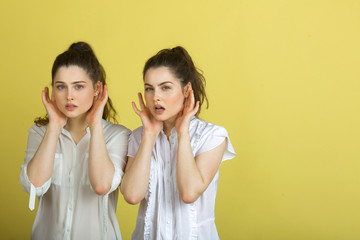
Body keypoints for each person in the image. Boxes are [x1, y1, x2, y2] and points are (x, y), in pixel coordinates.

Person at [120, 46, 236, 239]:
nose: (155, 96)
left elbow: (189, 193)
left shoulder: (212, 136)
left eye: (165, 87)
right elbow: (132, 196)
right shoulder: (138, 137)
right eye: (149, 88)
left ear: (186, 90)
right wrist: (149, 135)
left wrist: (183, 133)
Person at [20, 42, 130, 240]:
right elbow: (34, 186)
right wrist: (54, 126)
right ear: (52, 90)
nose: (69, 96)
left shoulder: (117, 135)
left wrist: (95, 124)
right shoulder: (39, 133)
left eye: (78, 86)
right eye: (61, 87)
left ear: (97, 89)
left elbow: (102, 185)